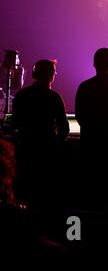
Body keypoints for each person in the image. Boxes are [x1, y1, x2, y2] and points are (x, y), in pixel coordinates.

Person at [12, 59, 69, 209]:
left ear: (34, 74)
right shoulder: (55, 97)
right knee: (46, 200)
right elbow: (65, 128)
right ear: (51, 75)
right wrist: (56, 143)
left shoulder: (21, 96)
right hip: (48, 155)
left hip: (26, 153)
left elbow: (14, 125)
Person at [75, 48, 108, 152]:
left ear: (94, 65)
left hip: (89, 142)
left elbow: (79, 115)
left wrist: (89, 129)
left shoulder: (84, 86)